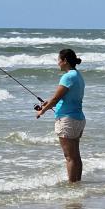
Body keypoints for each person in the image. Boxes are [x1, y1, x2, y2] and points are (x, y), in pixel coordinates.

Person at [36, 48, 85, 183]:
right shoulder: (77, 75)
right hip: (78, 119)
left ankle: (72, 186)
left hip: (67, 120)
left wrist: (42, 111)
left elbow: (56, 99)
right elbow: (65, 98)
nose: (58, 63)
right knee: (76, 156)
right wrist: (48, 104)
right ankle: (77, 184)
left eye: (59, 60)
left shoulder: (67, 76)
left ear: (65, 61)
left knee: (69, 157)